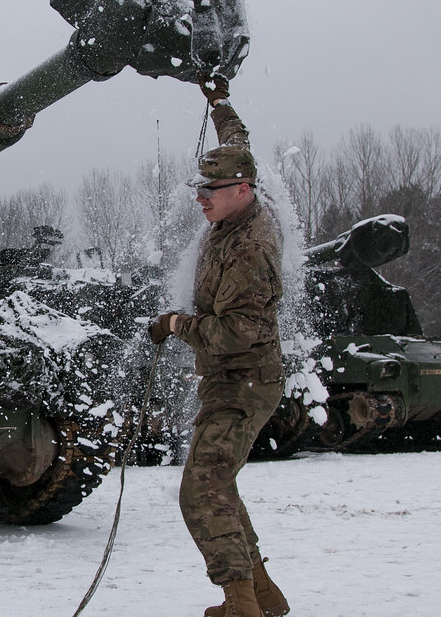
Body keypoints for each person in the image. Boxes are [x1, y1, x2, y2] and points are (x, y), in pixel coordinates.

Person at [148, 75, 290, 617]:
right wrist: (220, 104)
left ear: (243, 191)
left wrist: (177, 325)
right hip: (231, 379)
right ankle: (263, 595)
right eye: (199, 189)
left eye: (212, 191)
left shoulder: (252, 248)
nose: (201, 199)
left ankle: (240, 603)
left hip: (243, 380)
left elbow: (236, 332)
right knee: (218, 482)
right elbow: (240, 142)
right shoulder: (238, 198)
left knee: (201, 490)